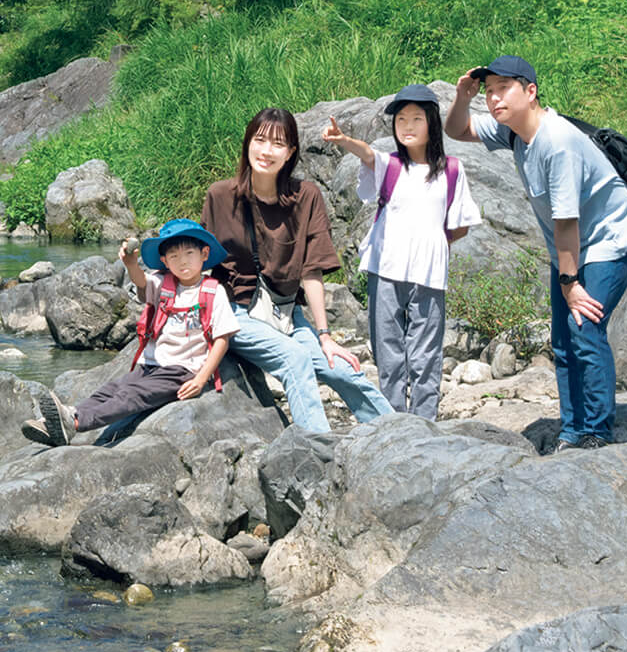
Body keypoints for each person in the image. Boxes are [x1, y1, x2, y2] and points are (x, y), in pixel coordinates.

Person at [445, 56, 627, 450]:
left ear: (531, 91)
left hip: (611, 237)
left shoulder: (557, 143)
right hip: (572, 247)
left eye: (503, 88)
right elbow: (457, 129)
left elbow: (566, 222)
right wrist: (461, 97)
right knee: (562, 339)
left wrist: (570, 284)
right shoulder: (514, 132)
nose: (494, 98)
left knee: (584, 328)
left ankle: (596, 433)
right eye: (489, 91)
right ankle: (572, 430)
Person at [200, 108, 393, 434]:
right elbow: (199, 262)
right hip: (234, 312)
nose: (265, 151)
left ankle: (397, 435)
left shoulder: (306, 197)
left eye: (277, 144)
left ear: (290, 152)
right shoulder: (221, 196)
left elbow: (312, 271)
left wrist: (325, 337)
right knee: (296, 360)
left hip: (287, 313)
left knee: (343, 369)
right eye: (259, 140)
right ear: (248, 144)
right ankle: (319, 449)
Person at [322, 83, 482, 418]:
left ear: (432, 124)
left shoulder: (452, 169)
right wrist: (343, 141)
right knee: (388, 348)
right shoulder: (390, 165)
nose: (407, 126)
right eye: (401, 120)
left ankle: (425, 419)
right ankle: (391, 419)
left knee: (426, 351)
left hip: (429, 272)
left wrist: (432, 242)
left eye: (416, 119)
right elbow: (367, 153)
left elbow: (462, 223)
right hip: (386, 268)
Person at [22, 218, 238, 447]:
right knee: (112, 389)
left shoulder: (213, 292)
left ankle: (76, 424)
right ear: (164, 261)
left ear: (204, 254)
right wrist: (131, 263)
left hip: (182, 369)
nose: (182, 261)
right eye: (174, 257)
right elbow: (141, 281)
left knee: (132, 396)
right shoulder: (163, 283)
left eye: (189, 254)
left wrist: (201, 378)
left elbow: (222, 338)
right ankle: (64, 416)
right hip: (151, 364)